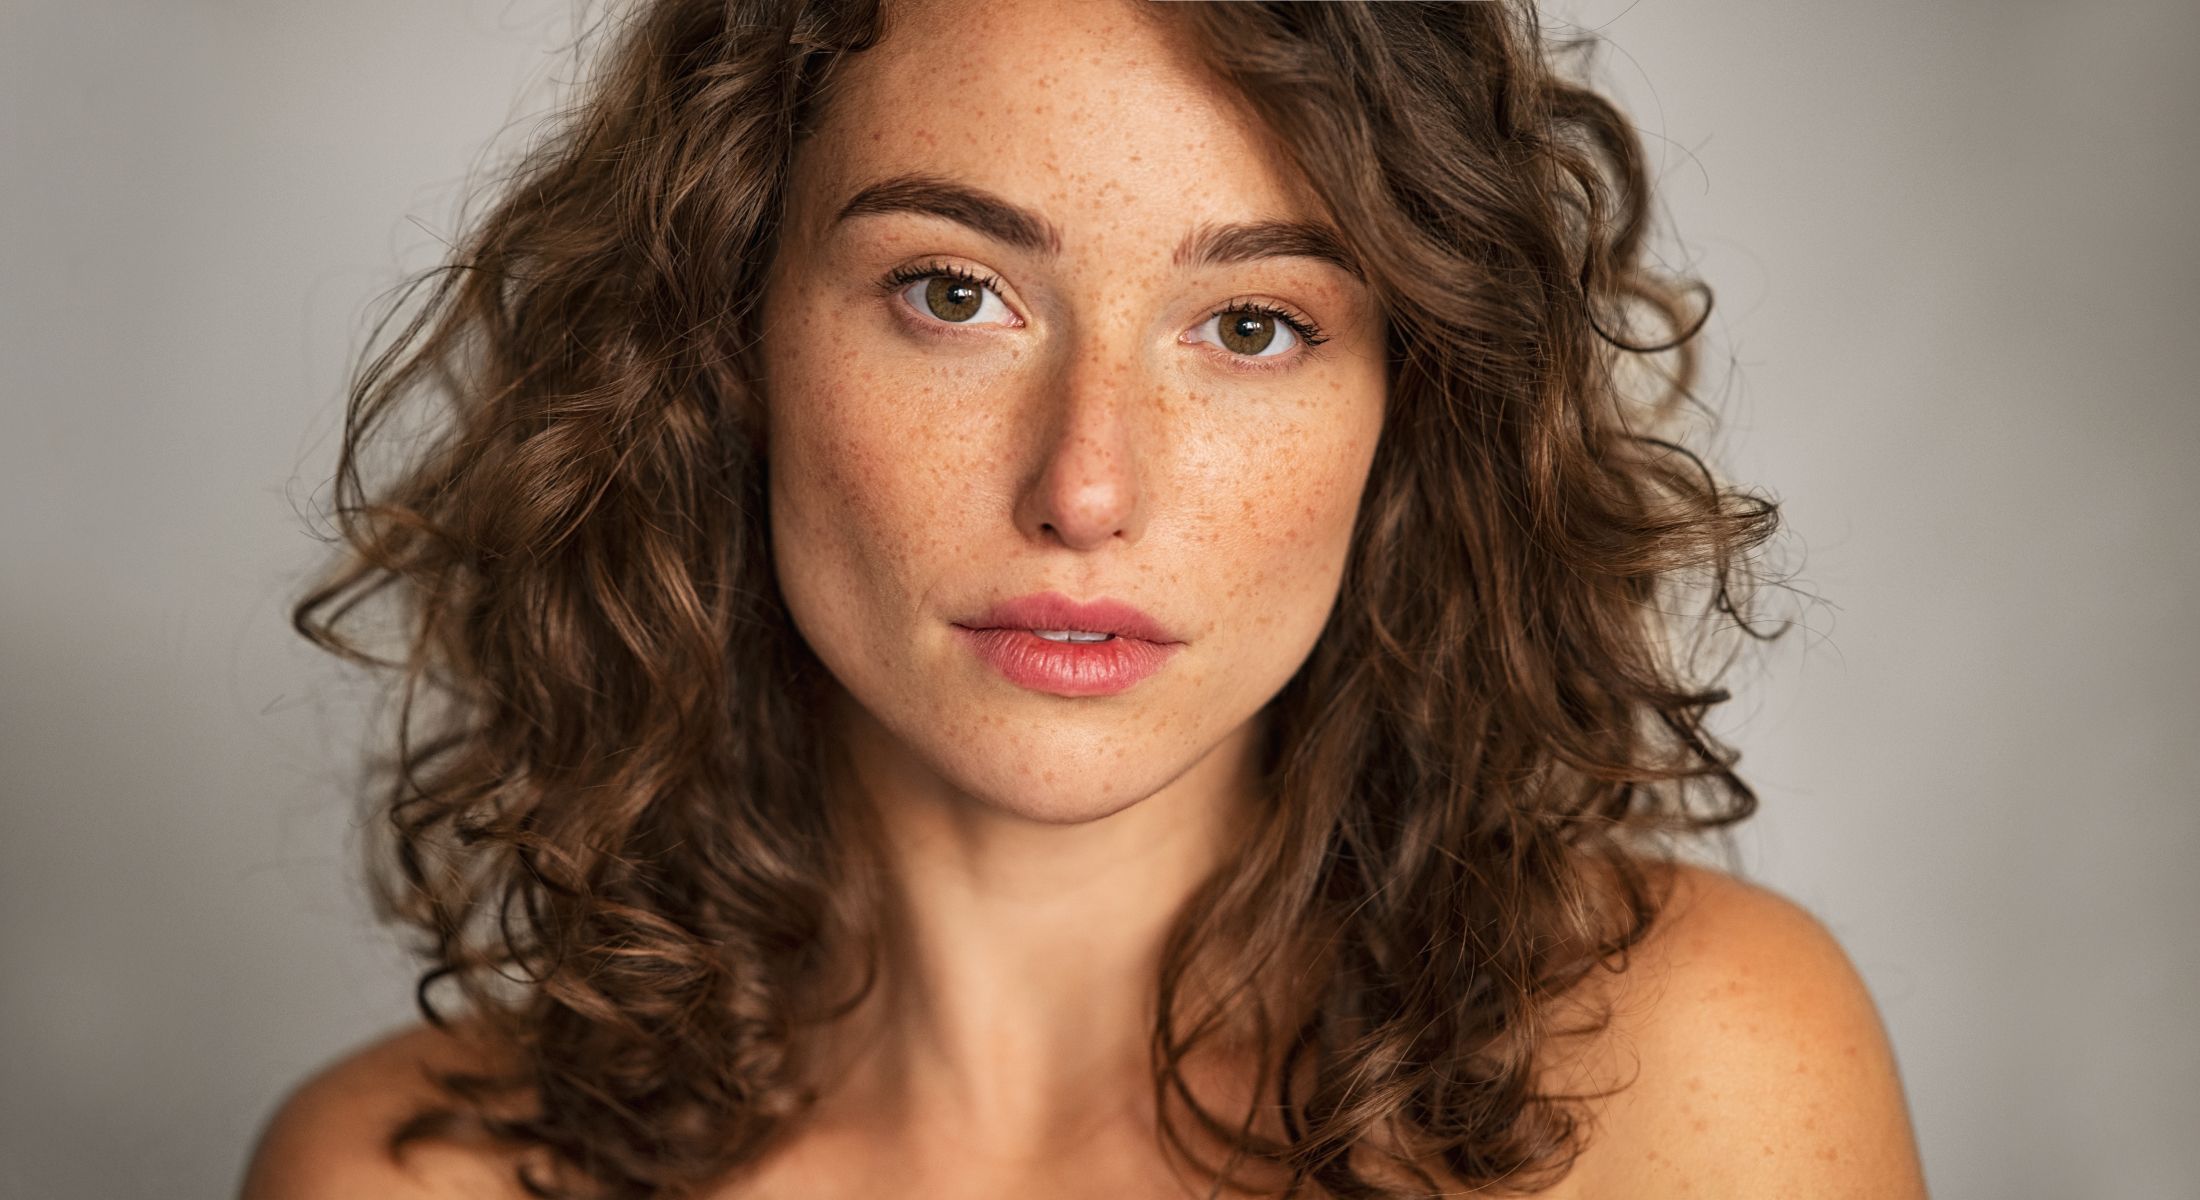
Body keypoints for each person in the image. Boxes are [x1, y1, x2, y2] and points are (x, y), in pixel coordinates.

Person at [241, 0, 1928, 1197]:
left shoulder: (1700, 1075)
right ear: (724, 346)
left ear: (1413, 408)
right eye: (955, 293)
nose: (1088, 486)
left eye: (1253, 324)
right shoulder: (405, 1182)